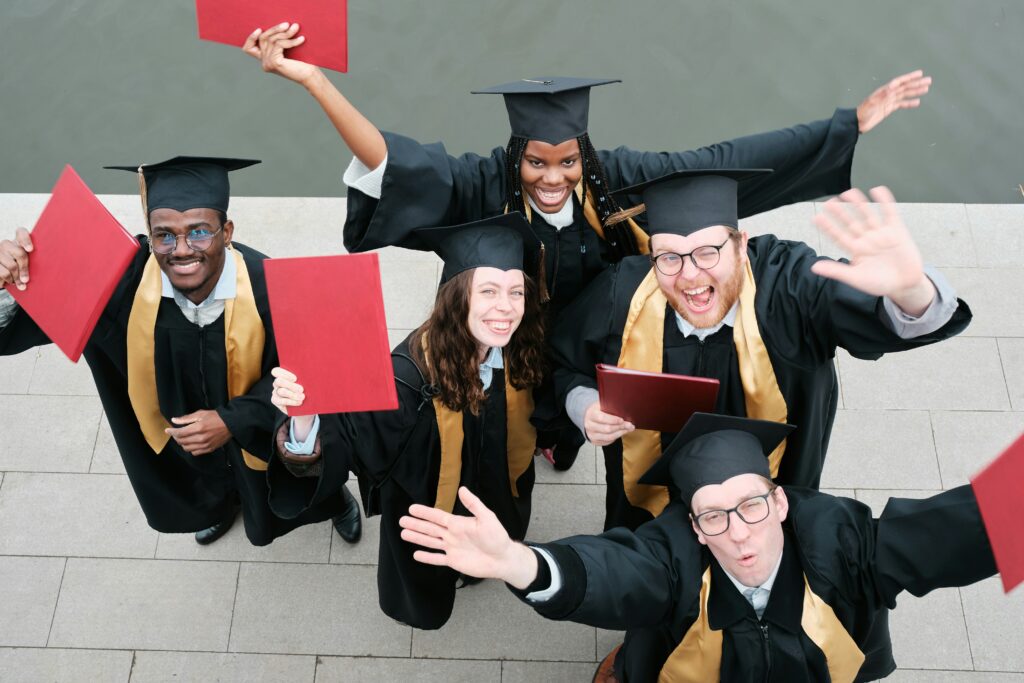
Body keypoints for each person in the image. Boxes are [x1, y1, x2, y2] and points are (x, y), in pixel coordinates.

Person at [242, 22, 931, 469]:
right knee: (513, 409)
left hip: (597, 331)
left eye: (566, 161)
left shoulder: (619, 181)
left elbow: (724, 158)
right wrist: (314, 81)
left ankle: (560, 438)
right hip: (507, 329)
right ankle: (533, 437)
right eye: (536, 162)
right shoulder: (487, 185)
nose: (551, 177)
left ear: (584, 155)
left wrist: (847, 128)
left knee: (579, 407)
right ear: (517, 154)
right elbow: (398, 165)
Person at [398, 413, 1000, 682]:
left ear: (782, 501)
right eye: (712, 516)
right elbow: (617, 572)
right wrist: (518, 562)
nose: (737, 533)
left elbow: (945, 530)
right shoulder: (676, 559)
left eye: (751, 506)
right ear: (693, 527)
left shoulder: (841, 541)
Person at [550, 172, 972, 531]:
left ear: (740, 244)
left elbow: (888, 313)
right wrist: (585, 407)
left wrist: (911, 288)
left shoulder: (790, 287)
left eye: (707, 251)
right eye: (669, 258)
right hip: (652, 505)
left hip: (773, 494)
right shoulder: (622, 291)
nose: (690, 276)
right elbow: (564, 363)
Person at [0, 156, 360, 546]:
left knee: (303, 469)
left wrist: (229, 421)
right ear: (150, 235)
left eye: (200, 231)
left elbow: (311, 379)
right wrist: (10, 283)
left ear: (227, 232)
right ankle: (220, 507)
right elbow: (16, 331)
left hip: (258, 435)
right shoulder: (118, 285)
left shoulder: (273, 289)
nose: (182, 250)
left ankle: (334, 502)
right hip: (183, 438)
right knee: (203, 485)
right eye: (164, 235)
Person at [265, 213, 547, 629]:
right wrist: (305, 417)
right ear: (457, 296)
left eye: (516, 292)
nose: (506, 307)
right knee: (429, 576)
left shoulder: (520, 347)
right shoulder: (407, 376)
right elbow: (351, 440)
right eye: (488, 291)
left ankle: (479, 564)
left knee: (499, 529)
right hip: (431, 505)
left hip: (496, 483)